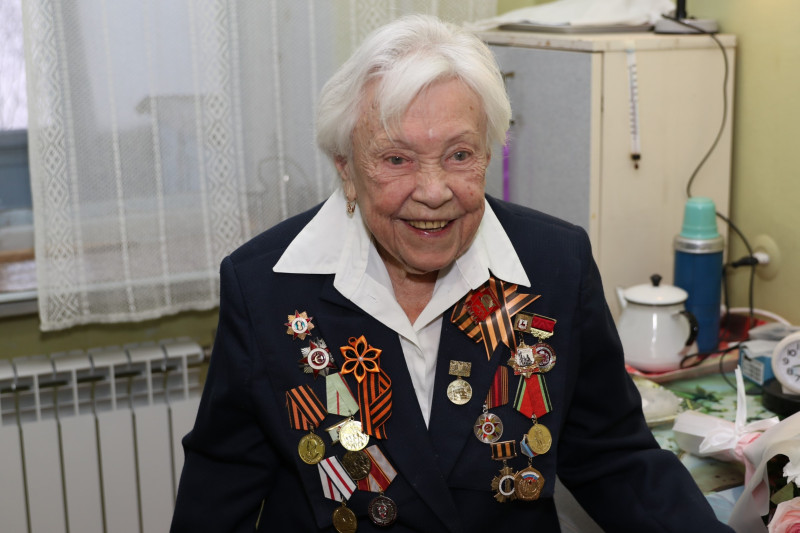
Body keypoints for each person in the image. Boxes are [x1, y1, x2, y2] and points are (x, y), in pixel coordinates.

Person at [171, 14, 734, 532]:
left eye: (460, 155)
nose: (434, 191)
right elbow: (219, 488)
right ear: (346, 167)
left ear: (489, 153)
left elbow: (615, 459)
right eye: (396, 159)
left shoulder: (553, 266)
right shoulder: (266, 287)